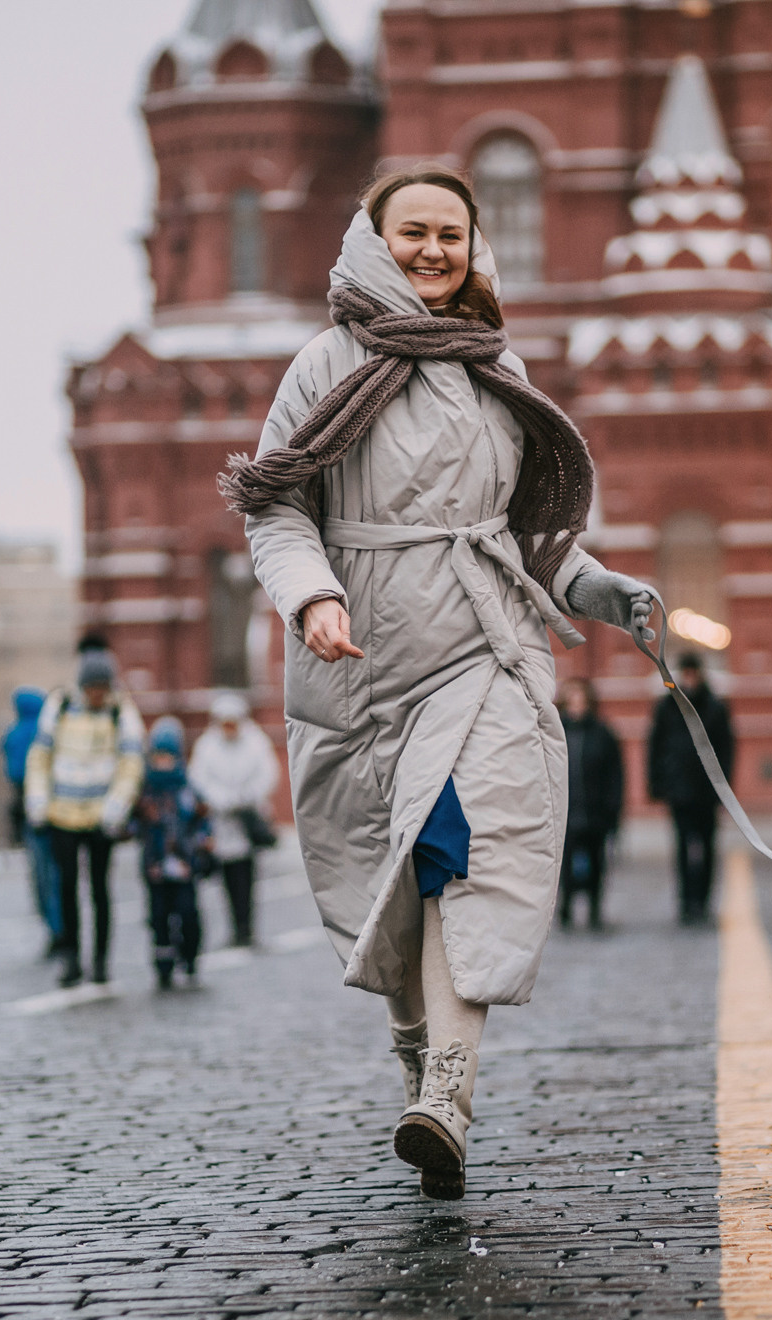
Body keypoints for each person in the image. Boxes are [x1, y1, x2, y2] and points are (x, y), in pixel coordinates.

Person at [227, 166, 654, 1200]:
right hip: (362, 661)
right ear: (373, 241)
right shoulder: (325, 362)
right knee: (399, 882)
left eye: (450, 235)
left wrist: (595, 587)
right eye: (411, 232)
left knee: (473, 852)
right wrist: (313, 597)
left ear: (473, 246)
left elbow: (524, 528)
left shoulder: (494, 360)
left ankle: (450, 1092)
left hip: (485, 646)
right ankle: (419, 1064)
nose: (432, 251)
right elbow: (275, 505)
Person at [25, 644, 144, 988]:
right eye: (92, 688)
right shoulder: (61, 706)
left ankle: (101, 961)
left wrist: (116, 808)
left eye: (102, 688)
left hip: (101, 818)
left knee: (99, 890)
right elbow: (40, 756)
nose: (97, 694)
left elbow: (131, 763)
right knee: (66, 888)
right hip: (62, 814)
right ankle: (71, 959)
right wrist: (38, 801)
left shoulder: (121, 712)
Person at [648, 654, 736, 925]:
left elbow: (727, 749)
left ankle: (703, 901)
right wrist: (657, 784)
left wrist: (724, 787)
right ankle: (686, 902)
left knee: (707, 848)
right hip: (679, 791)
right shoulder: (666, 707)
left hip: (707, 790)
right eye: (685, 674)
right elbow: (655, 747)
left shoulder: (715, 707)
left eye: (692, 673)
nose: (689, 679)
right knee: (682, 848)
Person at [187, 692, 280, 948]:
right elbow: (199, 779)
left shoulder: (255, 742)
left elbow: (268, 773)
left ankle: (246, 926)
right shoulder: (207, 746)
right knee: (226, 876)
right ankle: (235, 926)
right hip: (221, 822)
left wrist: (247, 796)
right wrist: (221, 799)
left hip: (248, 821)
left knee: (247, 876)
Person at [137, 716, 215, 989]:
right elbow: (136, 824)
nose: (162, 763)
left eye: (167, 756)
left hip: (184, 865)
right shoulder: (146, 792)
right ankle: (164, 964)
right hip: (156, 866)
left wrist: (204, 839)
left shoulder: (187, 790)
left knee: (187, 912)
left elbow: (201, 818)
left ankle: (190, 955)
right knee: (158, 917)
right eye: (158, 756)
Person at [1, 685, 65, 957]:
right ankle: (61, 928)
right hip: (55, 809)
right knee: (55, 874)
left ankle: (55, 928)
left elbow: (13, 771)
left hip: (29, 809)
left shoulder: (16, 734)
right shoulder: (51, 730)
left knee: (41, 874)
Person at [557, 677, 623, 930]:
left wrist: (613, 809)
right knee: (564, 866)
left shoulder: (602, 733)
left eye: (581, 700)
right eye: (572, 700)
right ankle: (565, 909)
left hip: (595, 811)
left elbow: (615, 774)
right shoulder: (556, 732)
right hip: (565, 812)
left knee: (597, 862)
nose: (577, 705)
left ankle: (595, 910)